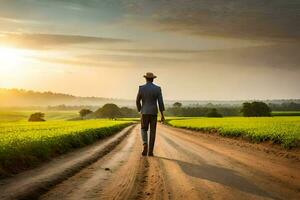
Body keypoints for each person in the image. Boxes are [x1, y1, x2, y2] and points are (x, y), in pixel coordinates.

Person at [136, 72, 165, 156]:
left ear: (145, 79)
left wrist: (140, 109)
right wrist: (162, 115)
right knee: (153, 132)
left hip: (144, 112)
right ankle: (150, 151)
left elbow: (137, 100)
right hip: (153, 113)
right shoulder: (158, 89)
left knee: (143, 129)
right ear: (153, 79)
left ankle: (145, 144)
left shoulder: (141, 88)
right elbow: (160, 102)